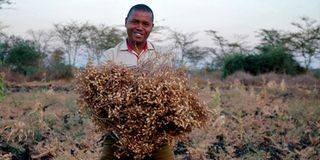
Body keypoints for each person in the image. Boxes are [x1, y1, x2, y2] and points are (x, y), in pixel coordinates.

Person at [100, 4, 175, 160]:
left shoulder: (162, 56)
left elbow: (171, 94)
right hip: (117, 133)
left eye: (145, 24)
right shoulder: (110, 57)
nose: (139, 27)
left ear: (151, 27)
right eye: (135, 22)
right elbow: (102, 97)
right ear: (126, 22)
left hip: (157, 135)